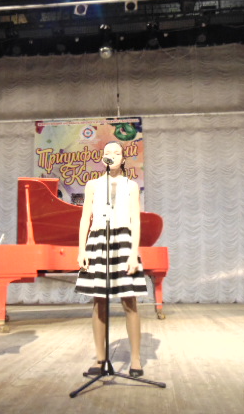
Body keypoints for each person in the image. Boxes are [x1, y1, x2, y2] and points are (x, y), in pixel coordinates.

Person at [76, 141, 148, 377]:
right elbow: (85, 218)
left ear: (123, 159)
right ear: (102, 158)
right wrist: (81, 250)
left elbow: (136, 220)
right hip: (98, 240)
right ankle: (100, 359)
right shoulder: (93, 185)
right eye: (108, 152)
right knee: (99, 302)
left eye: (117, 153)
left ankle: (135, 359)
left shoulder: (131, 186)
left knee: (129, 301)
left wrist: (134, 252)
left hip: (123, 241)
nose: (112, 155)